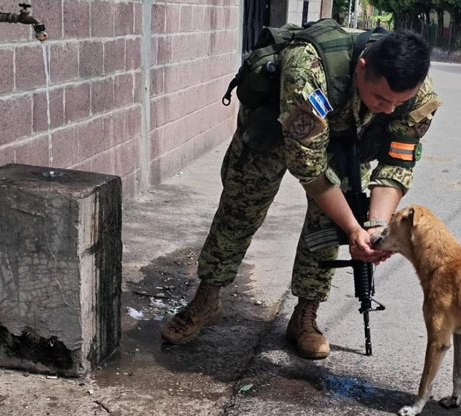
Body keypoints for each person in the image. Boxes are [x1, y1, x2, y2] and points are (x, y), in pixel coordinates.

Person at [161, 28, 441, 360]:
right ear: (362, 68)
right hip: (274, 131)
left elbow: (397, 165)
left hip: (345, 140)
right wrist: (354, 229)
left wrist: (374, 227)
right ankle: (206, 299)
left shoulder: (419, 97)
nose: (387, 109)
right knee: (240, 208)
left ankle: (305, 316)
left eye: (398, 102)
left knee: (328, 226)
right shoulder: (307, 70)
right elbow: (309, 167)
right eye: (380, 98)